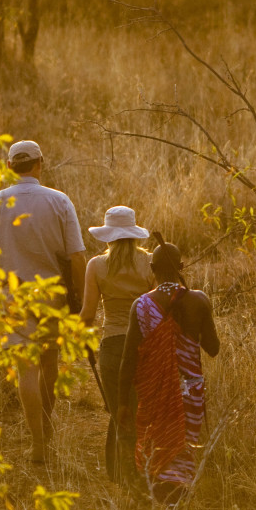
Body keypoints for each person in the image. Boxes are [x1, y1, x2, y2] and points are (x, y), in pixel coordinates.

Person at [0, 139, 87, 464]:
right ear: (40, 163)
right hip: (52, 296)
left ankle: (37, 443)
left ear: (9, 167)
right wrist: (82, 299)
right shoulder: (60, 201)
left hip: (12, 299)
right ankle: (46, 427)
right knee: (50, 363)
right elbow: (77, 256)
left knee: (26, 371)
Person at [118, 237, 219, 502]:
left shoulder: (140, 306)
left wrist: (122, 404)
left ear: (152, 269)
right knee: (182, 452)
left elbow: (128, 360)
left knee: (159, 451)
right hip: (191, 394)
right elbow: (213, 348)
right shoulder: (198, 300)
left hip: (154, 393)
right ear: (182, 267)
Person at [79, 206, 155, 482]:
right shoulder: (149, 263)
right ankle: (143, 474)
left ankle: (128, 480)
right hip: (144, 347)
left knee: (119, 412)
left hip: (112, 346)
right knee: (141, 412)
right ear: (134, 233)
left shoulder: (96, 266)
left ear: (108, 236)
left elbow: (87, 314)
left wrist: (84, 340)